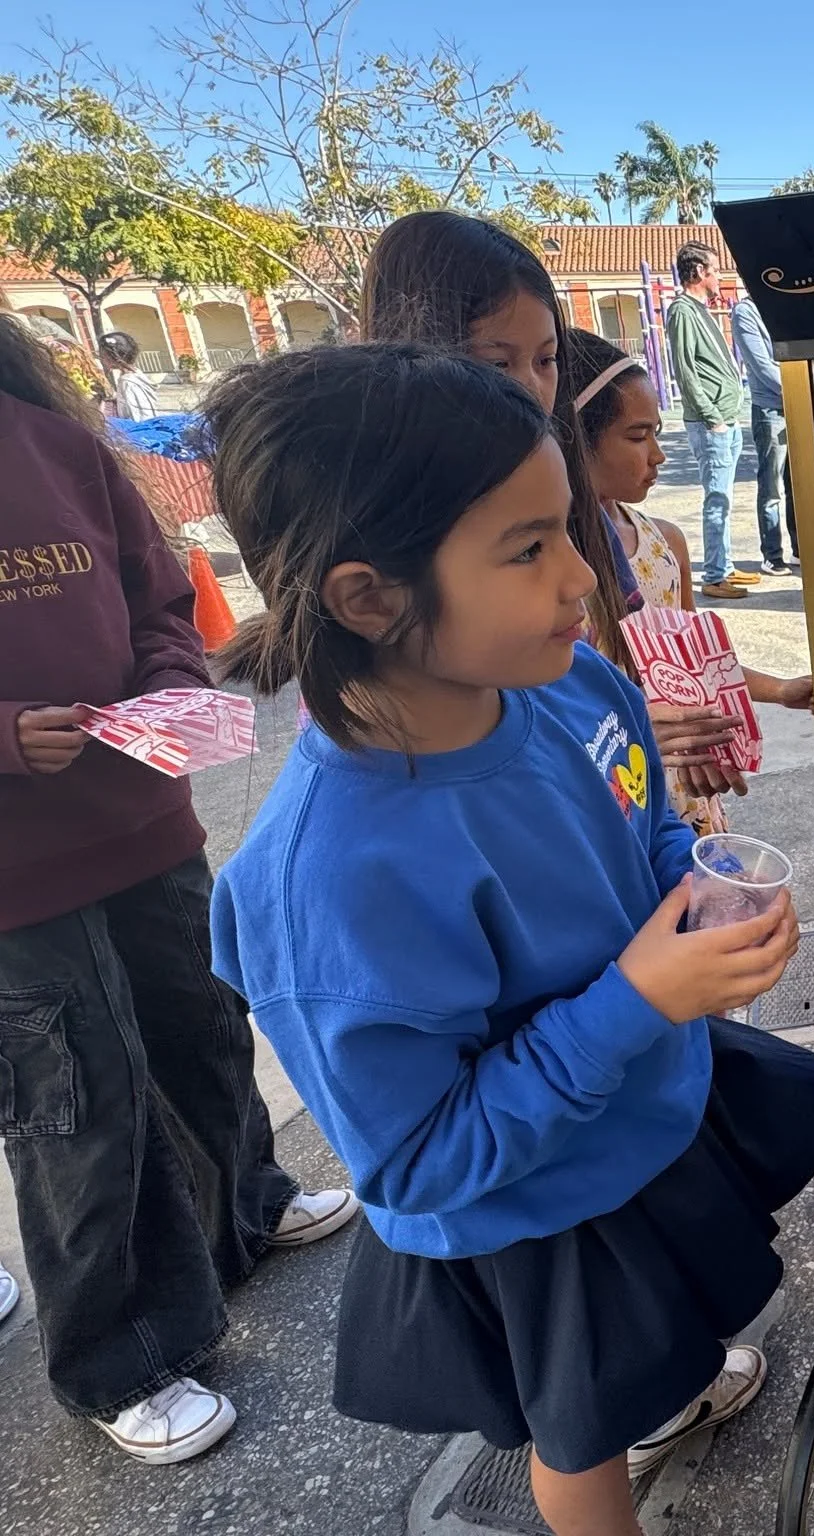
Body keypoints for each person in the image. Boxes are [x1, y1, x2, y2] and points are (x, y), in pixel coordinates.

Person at [205, 343, 814, 1536]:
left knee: (663, 1313)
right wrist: (637, 999)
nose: (580, 576)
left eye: (568, 529)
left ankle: (675, 1377)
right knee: (581, 1428)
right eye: (528, 548)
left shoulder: (569, 688)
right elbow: (419, 1159)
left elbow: (644, 817)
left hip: (637, 1102)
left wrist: (693, 887)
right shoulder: (331, 879)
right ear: (368, 597)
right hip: (533, 1202)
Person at [0, 313, 358, 1465]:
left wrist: (162, 687)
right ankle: (119, 1358)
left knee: (203, 1021)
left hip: (143, 817)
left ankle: (242, 1207)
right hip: (14, 875)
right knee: (78, 1104)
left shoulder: (58, 445)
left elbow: (161, 599)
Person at [358, 210, 644, 659]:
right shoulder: (388, 533)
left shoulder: (566, 488)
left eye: (546, 360)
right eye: (497, 364)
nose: (531, 390)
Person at [561, 329, 814, 832]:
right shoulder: (562, 570)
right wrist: (636, 729)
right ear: (575, 442)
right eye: (637, 437)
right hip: (615, 801)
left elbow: (698, 667)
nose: (658, 454)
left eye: (656, 433)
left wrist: (781, 690)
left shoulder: (665, 544)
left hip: (686, 795)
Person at [664, 243, 754, 599]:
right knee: (717, 500)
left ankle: (724, 566)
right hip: (712, 423)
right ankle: (714, 576)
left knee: (725, 500)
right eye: (715, 270)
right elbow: (685, 370)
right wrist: (713, 417)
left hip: (727, 420)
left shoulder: (700, 311)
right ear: (700, 272)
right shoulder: (682, 312)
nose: (719, 277)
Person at [729, 293, 794, 572]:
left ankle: (801, 548)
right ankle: (772, 554)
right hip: (771, 410)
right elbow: (762, 366)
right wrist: (797, 389)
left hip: (797, 407)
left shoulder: (781, 304)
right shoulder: (745, 313)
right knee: (772, 485)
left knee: (798, 484)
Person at [99, 330, 161, 421]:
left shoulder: (128, 382)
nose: (101, 359)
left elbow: (138, 416)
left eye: (102, 355)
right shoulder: (135, 373)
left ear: (111, 357)